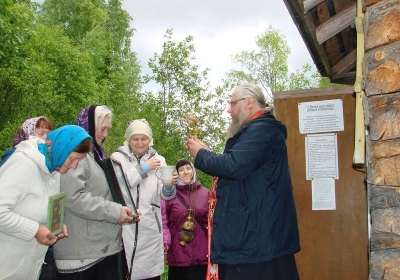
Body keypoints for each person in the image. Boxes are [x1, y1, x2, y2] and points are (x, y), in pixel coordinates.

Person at [186, 83, 300, 280]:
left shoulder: (262, 130)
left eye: (232, 103)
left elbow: (234, 165)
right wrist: (206, 153)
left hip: (256, 239)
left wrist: (201, 155)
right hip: (255, 236)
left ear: (249, 102)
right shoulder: (254, 131)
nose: (229, 110)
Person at [53, 105, 138, 280]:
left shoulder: (95, 156)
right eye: (103, 128)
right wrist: (115, 211)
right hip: (82, 255)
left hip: (98, 248)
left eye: (108, 129)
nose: (105, 134)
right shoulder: (76, 156)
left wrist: (125, 210)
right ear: (90, 126)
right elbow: (74, 197)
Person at [0, 125, 92, 280]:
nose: (74, 166)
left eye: (79, 161)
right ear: (61, 149)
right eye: (73, 159)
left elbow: (39, 208)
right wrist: (35, 230)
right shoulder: (23, 164)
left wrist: (54, 224)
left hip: (26, 269)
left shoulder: (53, 169)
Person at [111, 118, 178, 280]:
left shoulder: (159, 160)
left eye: (144, 139)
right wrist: (144, 167)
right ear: (128, 139)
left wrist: (169, 187)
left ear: (150, 139)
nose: (140, 143)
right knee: (126, 271)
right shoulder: (118, 158)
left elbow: (164, 195)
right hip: (125, 226)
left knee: (150, 275)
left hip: (150, 227)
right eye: (135, 139)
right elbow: (120, 187)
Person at [162, 158, 210, 280]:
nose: (186, 172)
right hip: (178, 256)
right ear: (176, 174)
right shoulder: (169, 195)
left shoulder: (206, 194)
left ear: (193, 171)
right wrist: (165, 250)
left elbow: (211, 222)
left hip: (201, 255)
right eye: (181, 170)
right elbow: (164, 223)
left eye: (188, 168)